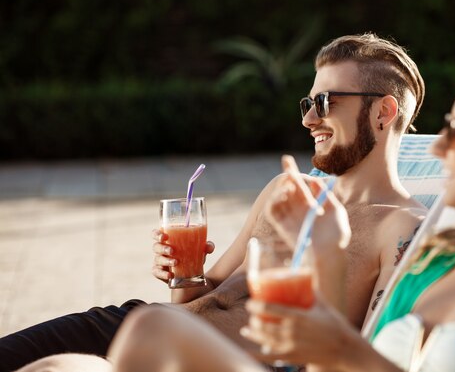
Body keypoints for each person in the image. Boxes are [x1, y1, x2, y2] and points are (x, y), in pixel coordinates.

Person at [81, 46, 455, 372]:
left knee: (151, 332)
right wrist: (327, 253)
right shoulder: (435, 259)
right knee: (65, 362)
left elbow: (340, 351)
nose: (435, 147)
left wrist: (337, 336)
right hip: (191, 327)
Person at [0, 33, 428, 371]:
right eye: (307, 102)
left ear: (383, 113)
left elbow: (373, 358)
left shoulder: (402, 230)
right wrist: (182, 275)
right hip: (143, 324)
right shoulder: (286, 191)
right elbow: (206, 295)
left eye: (324, 102)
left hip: (220, 361)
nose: (308, 118)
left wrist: (325, 257)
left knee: (58, 369)